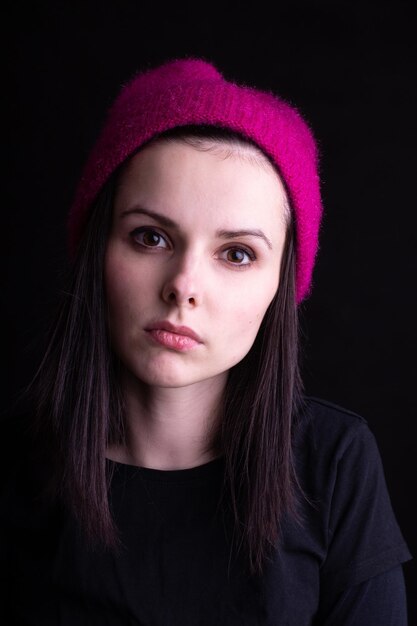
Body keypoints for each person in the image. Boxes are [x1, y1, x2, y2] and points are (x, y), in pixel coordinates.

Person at [1, 58, 411, 625]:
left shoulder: (333, 464)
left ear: (281, 287)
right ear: (97, 250)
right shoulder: (18, 467)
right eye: (150, 237)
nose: (183, 287)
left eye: (237, 253)